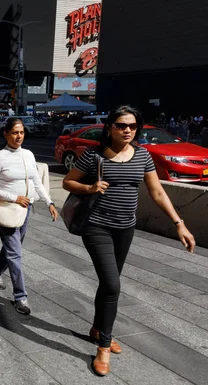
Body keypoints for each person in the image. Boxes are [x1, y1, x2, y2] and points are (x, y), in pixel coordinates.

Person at [62, 105, 195, 376]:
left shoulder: (143, 156)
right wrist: (89, 187)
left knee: (109, 285)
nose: (127, 130)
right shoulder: (93, 156)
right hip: (97, 226)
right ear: (110, 127)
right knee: (112, 283)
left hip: (125, 229)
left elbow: (157, 192)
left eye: (132, 126)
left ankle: (99, 327)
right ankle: (103, 345)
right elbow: (67, 182)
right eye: (121, 125)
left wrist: (179, 224)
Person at [0, 118, 58, 315]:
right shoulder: (0, 156)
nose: (19, 136)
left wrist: (49, 202)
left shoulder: (28, 154)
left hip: (26, 210)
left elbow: (36, 181)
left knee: (11, 250)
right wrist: (15, 198)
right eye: (15, 132)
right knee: (15, 253)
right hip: (9, 210)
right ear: (6, 134)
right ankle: (20, 296)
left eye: (22, 132)